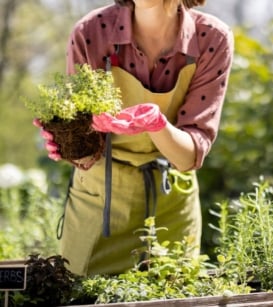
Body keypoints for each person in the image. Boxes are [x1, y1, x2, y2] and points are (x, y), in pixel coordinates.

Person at [33, 0, 234, 276]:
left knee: (176, 295)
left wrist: (156, 124)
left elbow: (188, 155)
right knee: (81, 294)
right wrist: (67, 140)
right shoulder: (92, 33)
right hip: (100, 197)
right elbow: (82, 143)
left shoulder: (211, 39)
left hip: (170, 202)